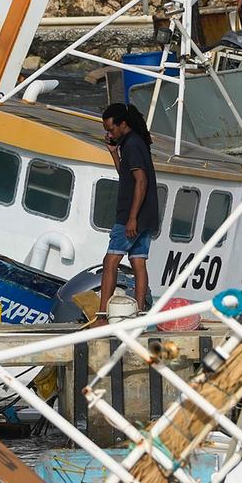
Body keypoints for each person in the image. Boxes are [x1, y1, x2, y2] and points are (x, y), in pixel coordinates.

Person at [95, 102, 157, 324]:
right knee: (138, 262)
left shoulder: (132, 145)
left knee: (110, 260)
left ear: (123, 124)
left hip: (132, 216)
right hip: (147, 215)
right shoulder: (133, 144)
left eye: (111, 129)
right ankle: (139, 312)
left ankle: (102, 315)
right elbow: (127, 175)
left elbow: (141, 181)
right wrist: (113, 152)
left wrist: (131, 218)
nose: (109, 133)